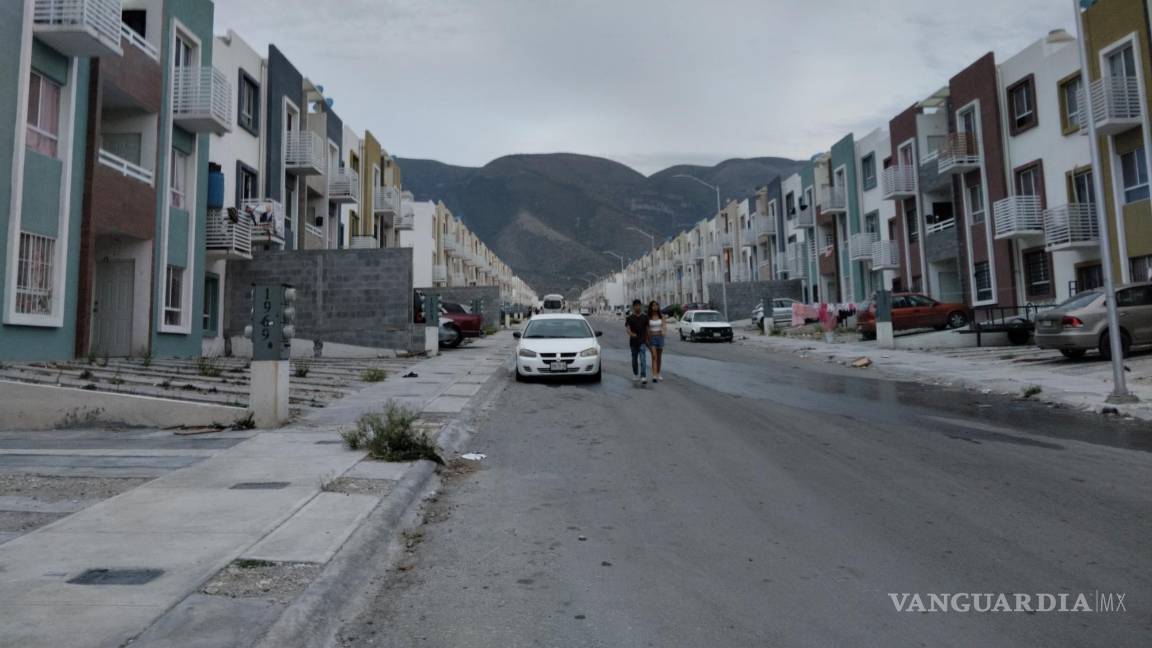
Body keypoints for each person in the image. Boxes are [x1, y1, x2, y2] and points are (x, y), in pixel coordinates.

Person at [624, 299, 649, 386]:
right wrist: (631, 334)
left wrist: (647, 339)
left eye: (639, 305)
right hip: (633, 343)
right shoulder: (630, 318)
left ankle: (643, 376)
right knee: (634, 360)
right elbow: (627, 328)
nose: (637, 307)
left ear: (640, 306)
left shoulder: (645, 317)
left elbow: (647, 329)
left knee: (643, 359)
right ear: (633, 307)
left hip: (642, 342)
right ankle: (635, 373)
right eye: (636, 305)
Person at [647, 301, 667, 382]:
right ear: (651, 307)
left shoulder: (661, 316)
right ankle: (654, 375)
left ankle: (658, 373)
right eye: (653, 305)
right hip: (652, 338)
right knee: (654, 356)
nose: (655, 307)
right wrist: (647, 339)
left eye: (656, 305)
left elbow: (664, 326)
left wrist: (664, 331)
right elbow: (647, 329)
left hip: (660, 337)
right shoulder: (648, 317)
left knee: (659, 357)